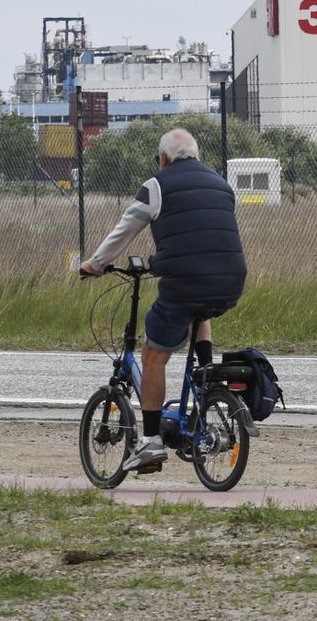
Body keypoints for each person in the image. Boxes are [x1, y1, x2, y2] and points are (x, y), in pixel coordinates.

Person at [81, 128, 247, 471]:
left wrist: (95, 264)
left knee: (153, 355)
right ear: (196, 155)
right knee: (200, 309)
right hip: (230, 282)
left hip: (184, 283)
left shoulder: (157, 185)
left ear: (164, 158)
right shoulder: (221, 184)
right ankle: (204, 371)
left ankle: (151, 441)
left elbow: (124, 229)